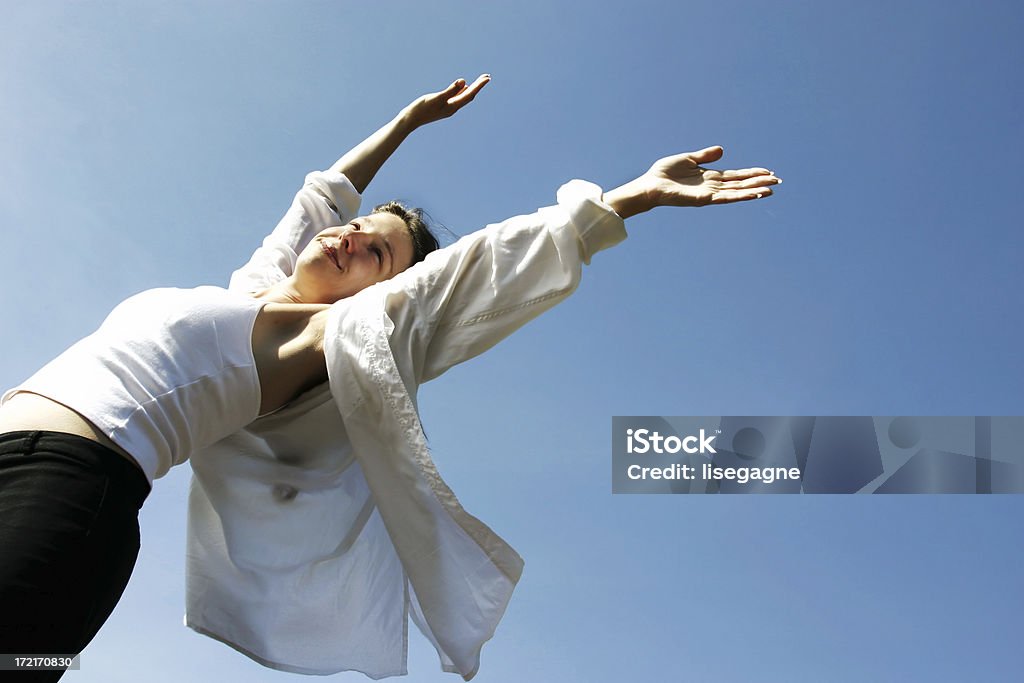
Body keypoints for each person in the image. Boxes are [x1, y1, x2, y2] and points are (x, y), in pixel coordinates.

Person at [0, 75, 780, 681]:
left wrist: (633, 195)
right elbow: (324, 194)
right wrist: (407, 124)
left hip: (71, 493)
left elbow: (489, 267)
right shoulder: (248, 290)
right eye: (356, 228)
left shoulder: (325, 335)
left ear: (378, 296)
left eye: (375, 252)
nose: (348, 236)